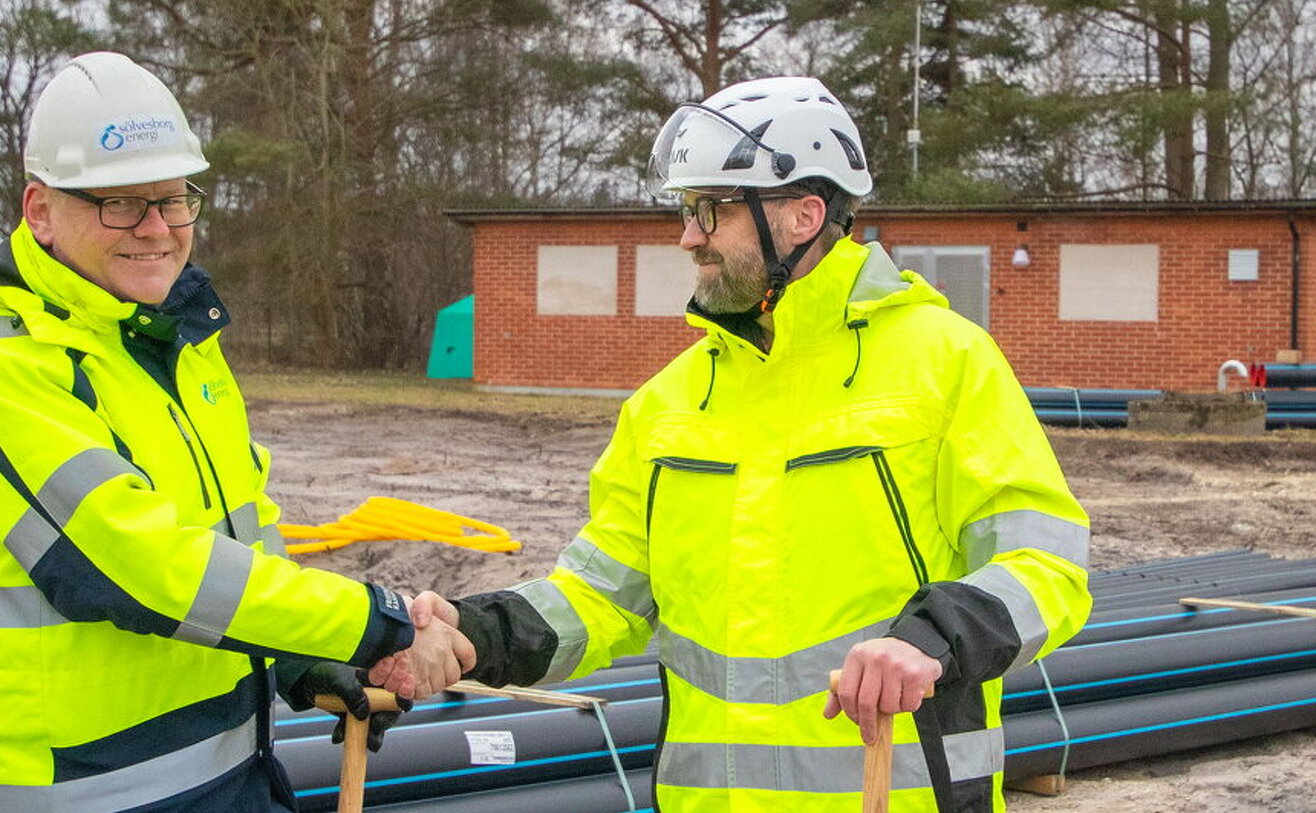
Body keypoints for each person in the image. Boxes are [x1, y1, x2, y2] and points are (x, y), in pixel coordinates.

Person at [375, 76, 1092, 812]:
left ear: (804, 215)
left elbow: (1048, 564)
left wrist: (934, 638)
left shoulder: (945, 363)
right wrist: (477, 630)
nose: (689, 237)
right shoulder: (668, 402)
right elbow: (602, 595)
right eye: (688, 211)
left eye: (711, 210)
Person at [0, 51, 470, 813]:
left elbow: (245, 535)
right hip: (77, 795)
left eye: (174, 201)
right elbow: (142, 570)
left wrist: (299, 656)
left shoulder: (176, 343)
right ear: (39, 209)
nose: (157, 229)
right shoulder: (2, 365)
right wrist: (378, 624)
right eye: (120, 204)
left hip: (227, 776)